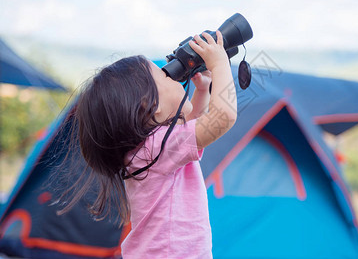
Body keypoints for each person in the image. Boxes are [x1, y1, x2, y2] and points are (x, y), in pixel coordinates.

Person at [60, 31, 237, 258]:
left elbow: (192, 127)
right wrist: (220, 63)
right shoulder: (158, 147)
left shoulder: (147, 149)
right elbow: (223, 118)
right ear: (151, 106)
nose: (173, 77)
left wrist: (203, 89)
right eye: (164, 76)